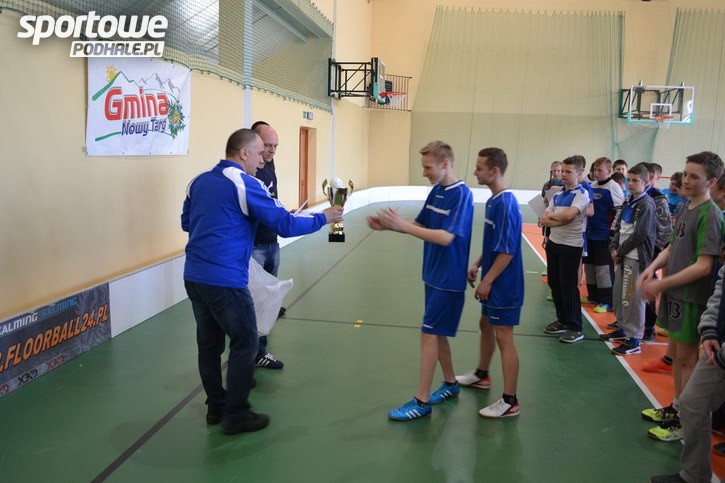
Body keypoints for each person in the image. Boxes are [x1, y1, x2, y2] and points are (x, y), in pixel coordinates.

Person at [181, 129, 342, 434]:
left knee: (209, 345)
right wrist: (325, 217)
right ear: (243, 153)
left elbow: (187, 222)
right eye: (259, 153)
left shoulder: (198, 182)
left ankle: (216, 407)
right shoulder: (244, 183)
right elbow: (285, 225)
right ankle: (237, 414)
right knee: (246, 341)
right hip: (226, 279)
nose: (262, 161)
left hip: (194, 276)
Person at [367, 141, 474, 421]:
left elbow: (446, 237)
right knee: (438, 333)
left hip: (448, 279)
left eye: (428, 167)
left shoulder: (462, 195)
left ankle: (421, 401)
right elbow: (422, 225)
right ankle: (450, 383)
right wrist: (391, 227)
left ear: (445, 164)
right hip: (432, 275)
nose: (424, 172)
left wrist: (402, 226)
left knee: (429, 334)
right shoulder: (437, 191)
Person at [638, 151, 724, 442]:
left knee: (687, 360)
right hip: (675, 294)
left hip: (691, 297)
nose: (685, 180)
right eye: (685, 174)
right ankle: (676, 408)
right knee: (676, 356)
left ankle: (685, 422)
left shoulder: (710, 214)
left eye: (694, 177)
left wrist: (662, 284)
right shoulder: (688, 206)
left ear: (712, 182)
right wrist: (651, 269)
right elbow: (672, 247)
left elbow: (704, 266)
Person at [456, 148, 523, 418]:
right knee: (486, 324)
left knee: (504, 336)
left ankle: (510, 401)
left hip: (505, 284)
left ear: (494, 171)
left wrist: (488, 280)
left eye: (479, 168)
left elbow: (508, 251)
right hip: (494, 279)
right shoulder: (494, 201)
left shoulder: (506, 204)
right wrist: (478, 263)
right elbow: (495, 245)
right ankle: (482, 374)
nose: (475, 172)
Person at [649, 264, 725, 483]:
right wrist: (709, 329)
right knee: (691, 404)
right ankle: (694, 475)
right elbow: (721, 286)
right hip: (717, 347)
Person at [599, 164, 656, 355]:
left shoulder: (646, 204)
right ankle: (623, 329)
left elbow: (640, 234)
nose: (630, 184)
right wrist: (613, 247)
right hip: (623, 256)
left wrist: (620, 251)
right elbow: (619, 227)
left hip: (635, 258)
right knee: (620, 296)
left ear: (646, 182)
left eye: (635, 180)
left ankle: (634, 339)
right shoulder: (628, 200)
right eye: (628, 180)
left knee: (633, 299)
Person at [541, 155, 591, 343]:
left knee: (568, 286)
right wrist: (558, 220)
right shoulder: (558, 195)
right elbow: (544, 218)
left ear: (579, 174)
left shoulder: (581, 194)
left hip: (571, 246)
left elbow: (569, 216)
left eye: (568, 171)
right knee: (555, 283)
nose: (563, 174)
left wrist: (555, 218)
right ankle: (562, 320)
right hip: (554, 244)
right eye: (562, 171)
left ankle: (575, 327)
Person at [250, 121, 285, 370]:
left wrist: (282, 212)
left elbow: (271, 200)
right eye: (267, 145)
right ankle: (254, 353)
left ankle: (259, 351)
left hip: (272, 242)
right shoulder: (248, 171)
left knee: (266, 301)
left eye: (275, 146)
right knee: (253, 303)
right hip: (254, 248)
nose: (271, 151)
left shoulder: (269, 166)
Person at [583, 157, 624, 313]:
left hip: (604, 235)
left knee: (603, 270)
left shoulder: (613, 187)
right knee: (589, 267)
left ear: (609, 171)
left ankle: (607, 301)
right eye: (595, 169)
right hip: (590, 235)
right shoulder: (592, 186)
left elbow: (619, 211)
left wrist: (612, 232)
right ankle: (593, 296)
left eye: (599, 170)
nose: (596, 173)